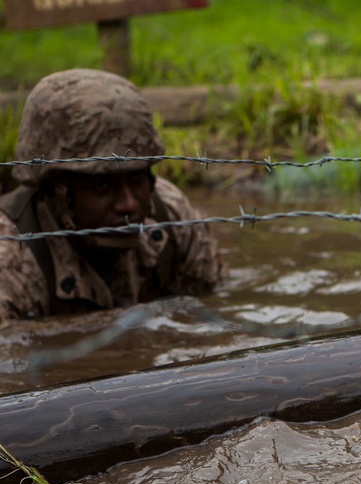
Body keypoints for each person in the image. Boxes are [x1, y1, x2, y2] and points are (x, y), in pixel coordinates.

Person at [0, 69, 223, 323]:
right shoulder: (10, 259)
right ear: (58, 192)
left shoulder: (170, 215)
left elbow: (215, 307)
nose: (128, 203)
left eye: (137, 177)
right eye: (102, 186)